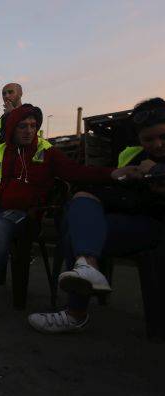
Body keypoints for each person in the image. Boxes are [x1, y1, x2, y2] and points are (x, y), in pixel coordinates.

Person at [0, 104, 140, 320]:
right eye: (23, 126)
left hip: (23, 215)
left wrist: (112, 174)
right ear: (12, 129)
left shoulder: (47, 152)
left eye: (33, 126)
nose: (29, 131)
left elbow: (77, 172)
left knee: (1, 227)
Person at [29, 97, 165, 333]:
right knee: (81, 208)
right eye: (148, 139)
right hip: (134, 223)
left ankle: (76, 313)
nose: (158, 145)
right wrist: (120, 178)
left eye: (163, 137)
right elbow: (117, 195)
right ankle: (87, 267)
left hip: (157, 227)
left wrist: (157, 173)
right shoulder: (132, 157)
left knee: (78, 231)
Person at [0, 83, 25, 152]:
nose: (6, 96)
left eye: (10, 92)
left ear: (20, 94)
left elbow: (25, 142)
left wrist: (13, 114)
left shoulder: (30, 114)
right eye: (4, 94)